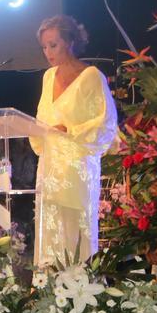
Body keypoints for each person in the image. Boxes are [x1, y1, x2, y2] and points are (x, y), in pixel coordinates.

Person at [31, 15, 118, 265]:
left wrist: (67, 130)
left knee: (76, 235)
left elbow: (105, 123)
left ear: (70, 41)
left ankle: (79, 292)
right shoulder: (48, 77)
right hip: (49, 170)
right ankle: (49, 293)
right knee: (50, 235)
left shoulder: (91, 76)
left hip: (77, 170)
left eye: (53, 45)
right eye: (44, 47)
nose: (48, 52)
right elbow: (41, 119)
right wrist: (37, 131)